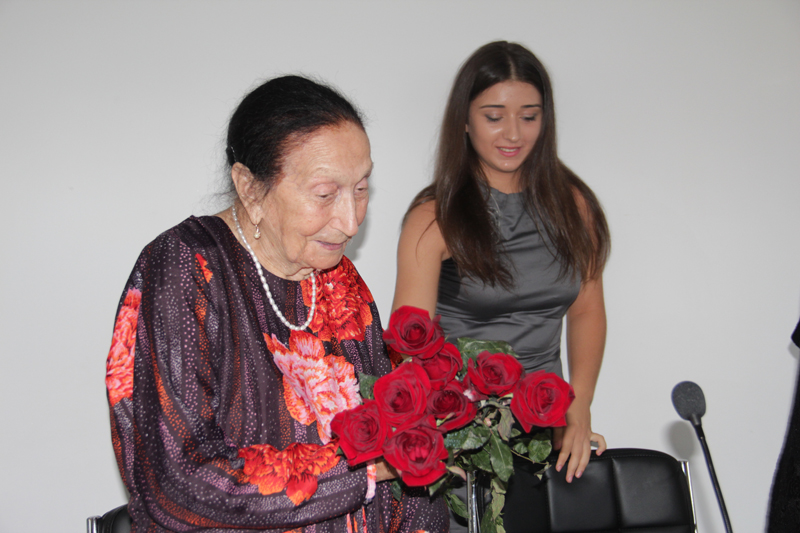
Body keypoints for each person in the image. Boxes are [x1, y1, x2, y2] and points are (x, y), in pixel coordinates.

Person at [105, 75, 448, 533]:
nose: (350, 221)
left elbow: (396, 454)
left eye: (361, 188)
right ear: (249, 187)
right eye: (325, 194)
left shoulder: (340, 280)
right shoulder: (186, 267)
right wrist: (361, 473)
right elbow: (180, 482)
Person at [392, 41, 610, 530]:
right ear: (465, 122)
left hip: (546, 433)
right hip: (460, 441)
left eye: (529, 116)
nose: (513, 133)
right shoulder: (434, 217)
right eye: (494, 116)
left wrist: (579, 410)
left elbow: (586, 310)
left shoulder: (574, 206)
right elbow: (407, 350)